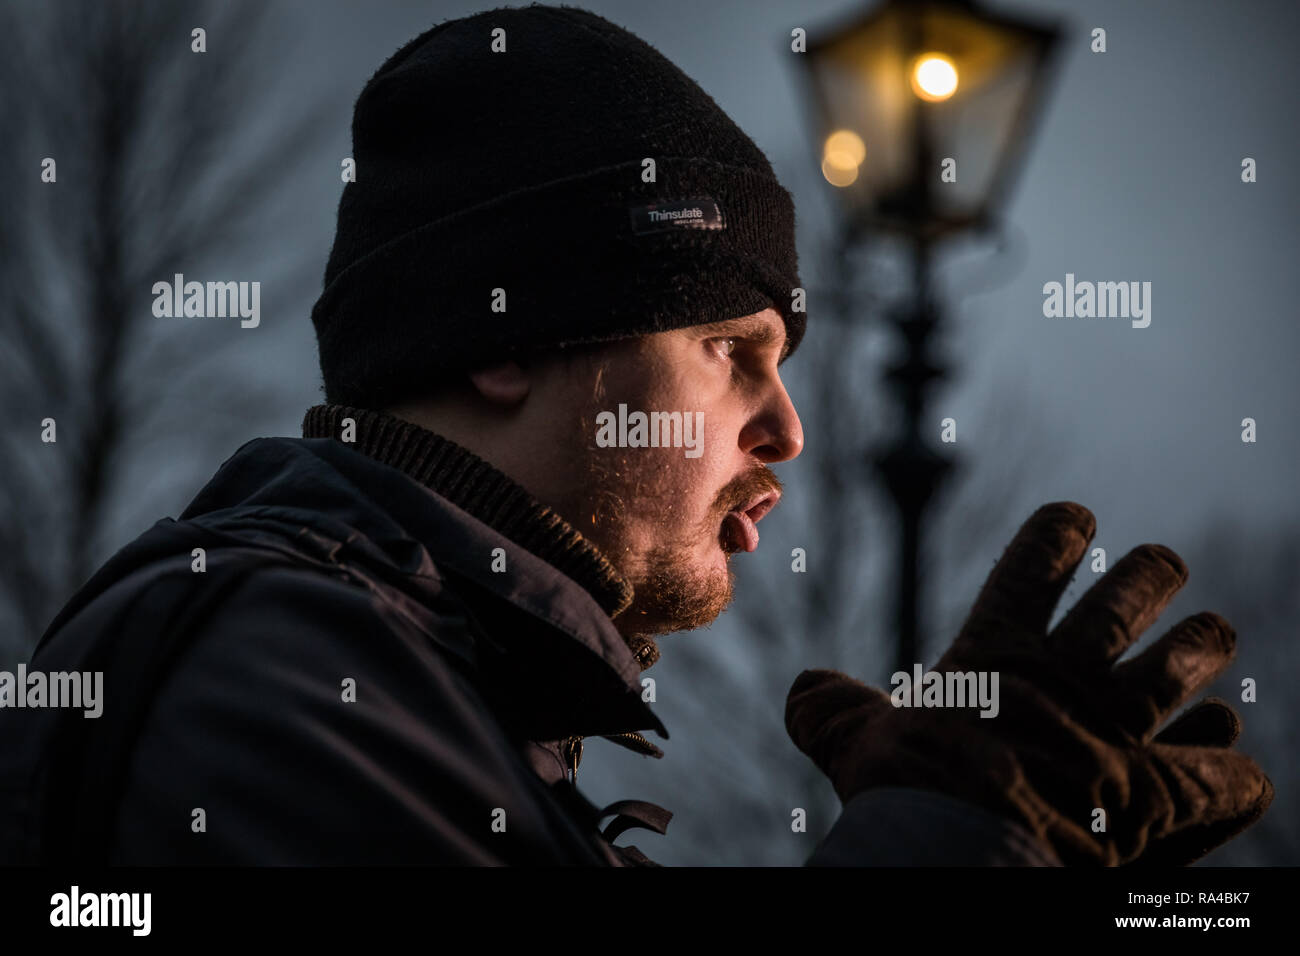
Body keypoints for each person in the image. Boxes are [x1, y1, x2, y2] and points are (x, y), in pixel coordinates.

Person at [0, 5, 1271, 866]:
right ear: (502, 341)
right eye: (733, 352)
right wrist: (947, 840)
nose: (788, 427)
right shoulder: (290, 673)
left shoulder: (428, 682)